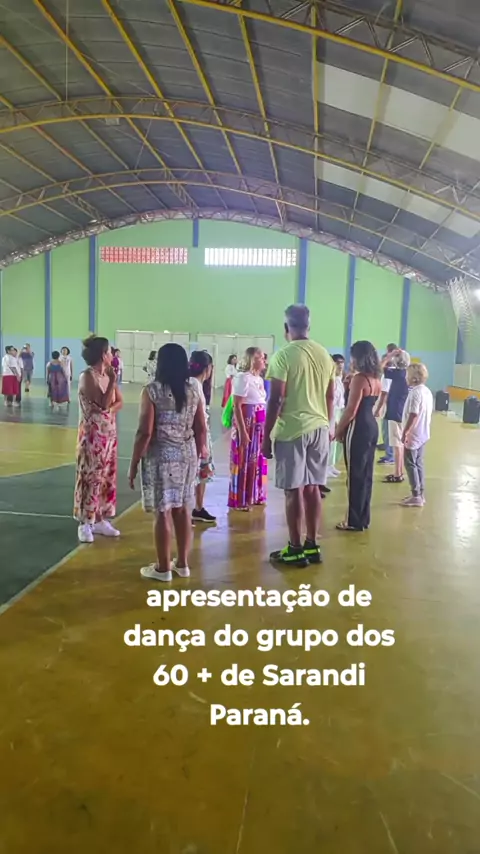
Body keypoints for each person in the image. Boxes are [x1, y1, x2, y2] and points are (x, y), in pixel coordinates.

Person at [262, 305, 335, 567]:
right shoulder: (324, 354)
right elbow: (330, 396)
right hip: (320, 429)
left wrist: (266, 436)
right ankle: (312, 544)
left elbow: (276, 399)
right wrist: (328, 425)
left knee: (293, 490)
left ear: (286, 327)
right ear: (308, 326)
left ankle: (294, 548)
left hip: (293, 430)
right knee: (313, 487)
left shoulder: (283, 356)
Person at [128, 343, 207, 582]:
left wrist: (133, 463)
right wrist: (200, 455)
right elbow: (201, 427)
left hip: (161, 456)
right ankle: (182, 564)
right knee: (182, 509)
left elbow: (145, 432)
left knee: (162, 511)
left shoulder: (152, 391)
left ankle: (163, 568)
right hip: (187, 455)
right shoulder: (193, 389)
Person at [73, 336, 123, 544]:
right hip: (92, 437)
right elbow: (102, 403)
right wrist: (112, 381)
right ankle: (85, 522)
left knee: (106, 478)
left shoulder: (107, 375)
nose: (112, 355)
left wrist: (109, 410)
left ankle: (101, 518)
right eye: (109, 351)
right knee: (91, 477)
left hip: (109, 435)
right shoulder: (88, 376)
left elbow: (118, 402)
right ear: (103, 355)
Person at [335, 341, 382, 532]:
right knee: (366, 474)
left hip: (358, 427)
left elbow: (350, 410)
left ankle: (353, 521)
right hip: (371, 426)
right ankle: (362, 518)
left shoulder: (359, 379)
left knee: (354, 475)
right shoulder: (376, 378)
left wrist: (338, 430)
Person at [228, 347, 268, 511]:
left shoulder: (259, 379)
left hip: (258, 425)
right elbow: (237, 406)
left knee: (256, 460)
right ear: (251, 360)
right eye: (260, 357)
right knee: (244, 460)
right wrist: (243, 431)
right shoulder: (243, 378)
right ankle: (241, 499)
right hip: (247, 423)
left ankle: (255, 494)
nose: (264, 360)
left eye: (264, 357)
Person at [375, 349, 410, 484]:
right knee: (399, 445)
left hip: (395, 413)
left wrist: (389, 355)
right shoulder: (405, 374)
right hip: (401, 412)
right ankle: (398, 471)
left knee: (397, 445)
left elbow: (379, 367)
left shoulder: (398, 374)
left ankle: (397, 473)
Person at [189, 350, 216, 524]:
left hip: (202, 433)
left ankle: (198, 508)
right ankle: (191, 508)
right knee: (196, 472)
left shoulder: (198, 384)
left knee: (202, 472)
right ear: (208, 368)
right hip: (197, 435)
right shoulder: (194, 384)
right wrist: (203, 443)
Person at [401, 363, 433, 507]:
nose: (405, 378)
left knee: (410, 464)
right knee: (418, 463)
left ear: (414, 378)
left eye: (407, 375)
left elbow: (413, 414)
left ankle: (416, 495)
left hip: (414, 434)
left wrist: (405, 432)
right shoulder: (426, 391)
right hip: (423, 433)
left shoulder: (415, 393)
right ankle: (420, 493)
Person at [377, 343, 397, 464]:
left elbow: (384, 393)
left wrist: (379, 408)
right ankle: (389, 453)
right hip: (394, 406)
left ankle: (390, 455)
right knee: (390, 431)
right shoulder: (398, 373)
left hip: (389, 406)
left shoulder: (387, 376)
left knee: (387, 431)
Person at [328, 354, 345, 479]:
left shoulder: (339, 378)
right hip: (332, 411)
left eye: (342, 363)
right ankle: (326, 466)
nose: (340, 365)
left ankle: (331, 464)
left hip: (339, 410)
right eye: (338, 363)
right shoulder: (331, 379)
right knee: (329, 439)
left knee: (335, 442)